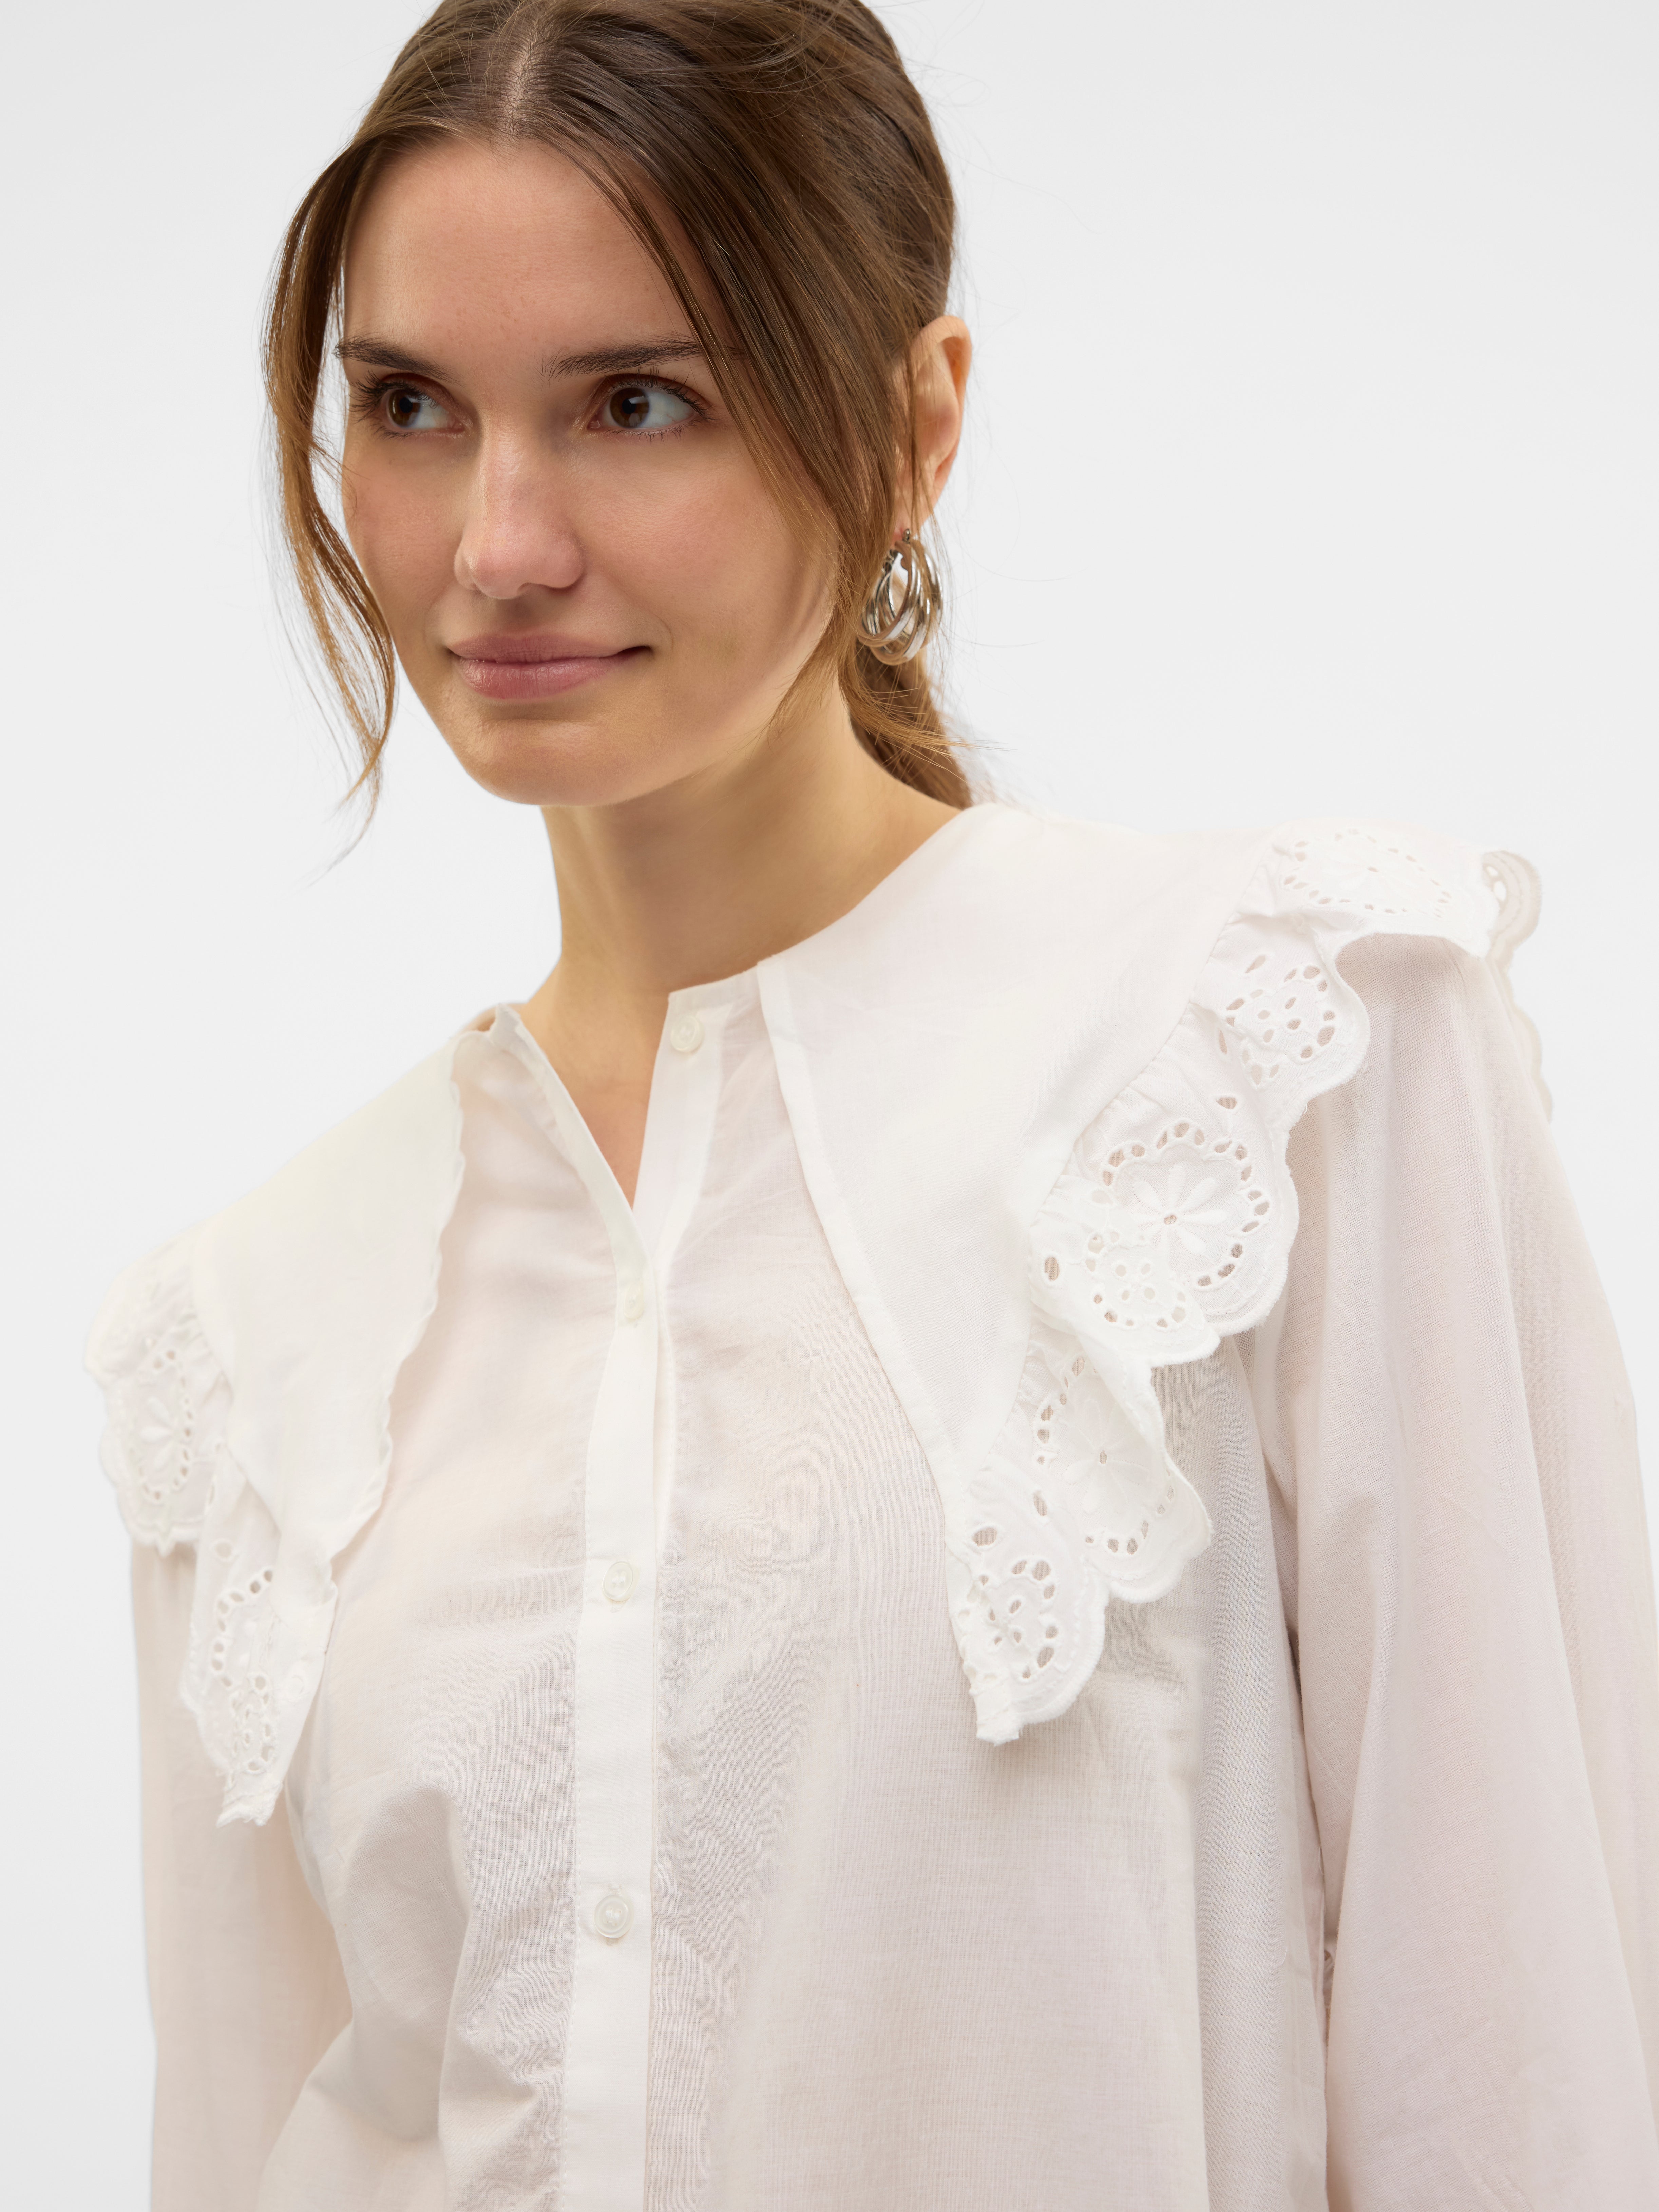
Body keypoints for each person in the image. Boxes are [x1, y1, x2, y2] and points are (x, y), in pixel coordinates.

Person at [87, 2, 1659, 2206]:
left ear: (917, 423)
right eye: (411, 405)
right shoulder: (251, 1333)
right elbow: (245, 2138)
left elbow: (1525, 2082)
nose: (498, 544)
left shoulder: (1287, 1061)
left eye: (639, 401)